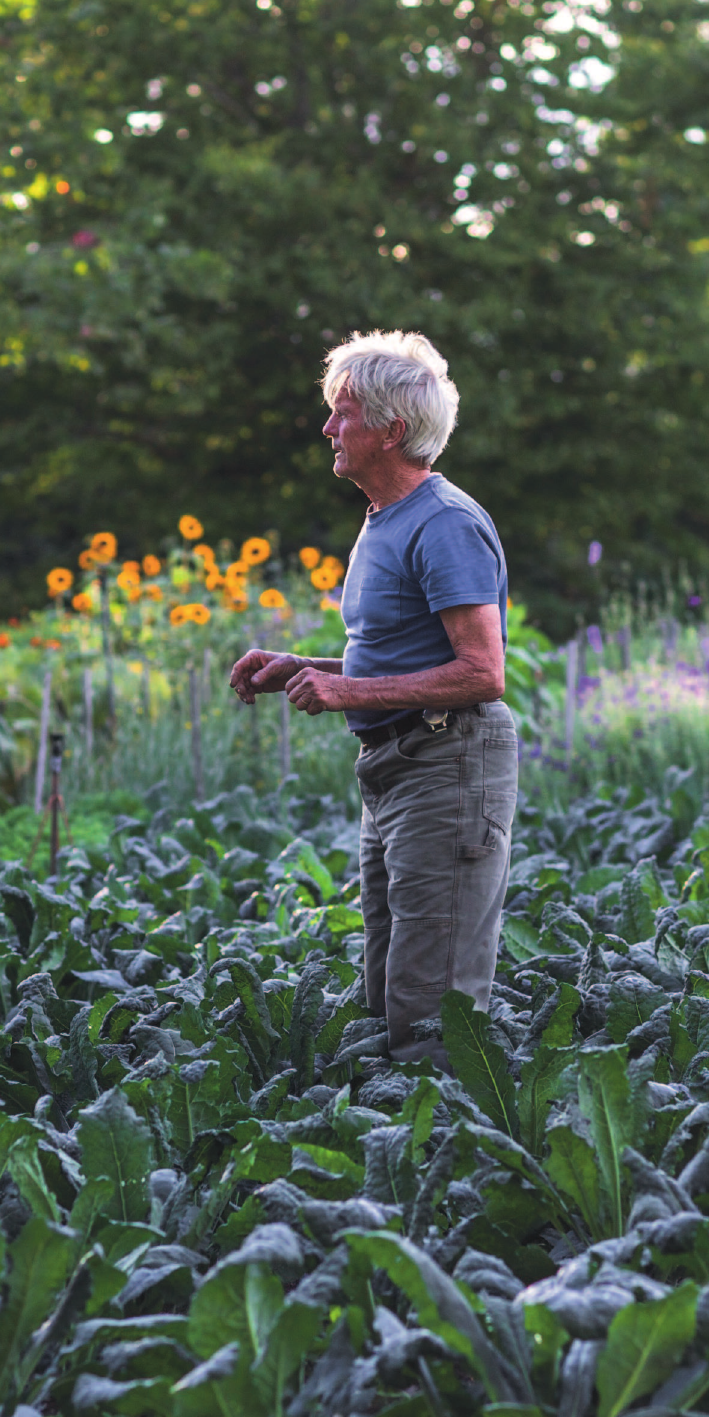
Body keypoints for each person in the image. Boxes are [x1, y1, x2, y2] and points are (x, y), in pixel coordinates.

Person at [230, 331, 517, 1070]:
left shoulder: (444, 522)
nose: (328, 426)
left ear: (391, 429)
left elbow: (482, 672)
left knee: (433, 1013)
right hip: (395, 768)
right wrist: (305, 665)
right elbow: (401, 654)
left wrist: (345, 690)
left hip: (445, 764)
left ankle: (454, 1168)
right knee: (388, 988)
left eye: (343, 412)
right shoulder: (385, 517)